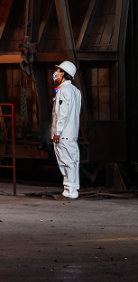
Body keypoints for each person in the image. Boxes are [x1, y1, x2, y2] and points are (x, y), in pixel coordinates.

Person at [51, 60, 82, 199]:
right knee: (73, 162)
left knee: (66, 162)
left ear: (64, 73)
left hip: (63, 134)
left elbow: (62, 113)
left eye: (58, 71)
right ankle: (73, 189)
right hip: (72, 132)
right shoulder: (76, 91)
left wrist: (57, 132)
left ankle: (69, 191)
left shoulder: (63, 90)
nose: (55, 73)